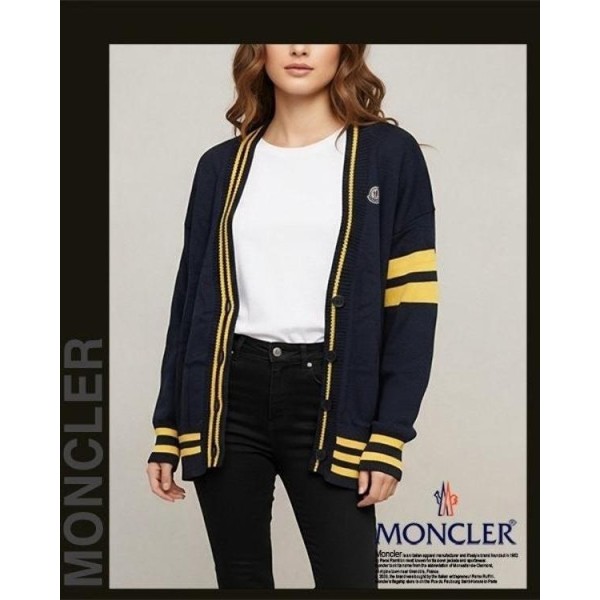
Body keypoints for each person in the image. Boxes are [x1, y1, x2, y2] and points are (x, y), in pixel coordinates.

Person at [145, 44, 439, 590]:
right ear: (259, 50)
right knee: (242, 579)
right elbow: (189, 303)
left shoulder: (388, 155)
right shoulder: (220, 167)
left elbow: (412, 304)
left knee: (349, 582)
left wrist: (389, 435)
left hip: (330, 399)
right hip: (227, 398)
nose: (300, 47)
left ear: (344, 51)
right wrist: (168, 426)